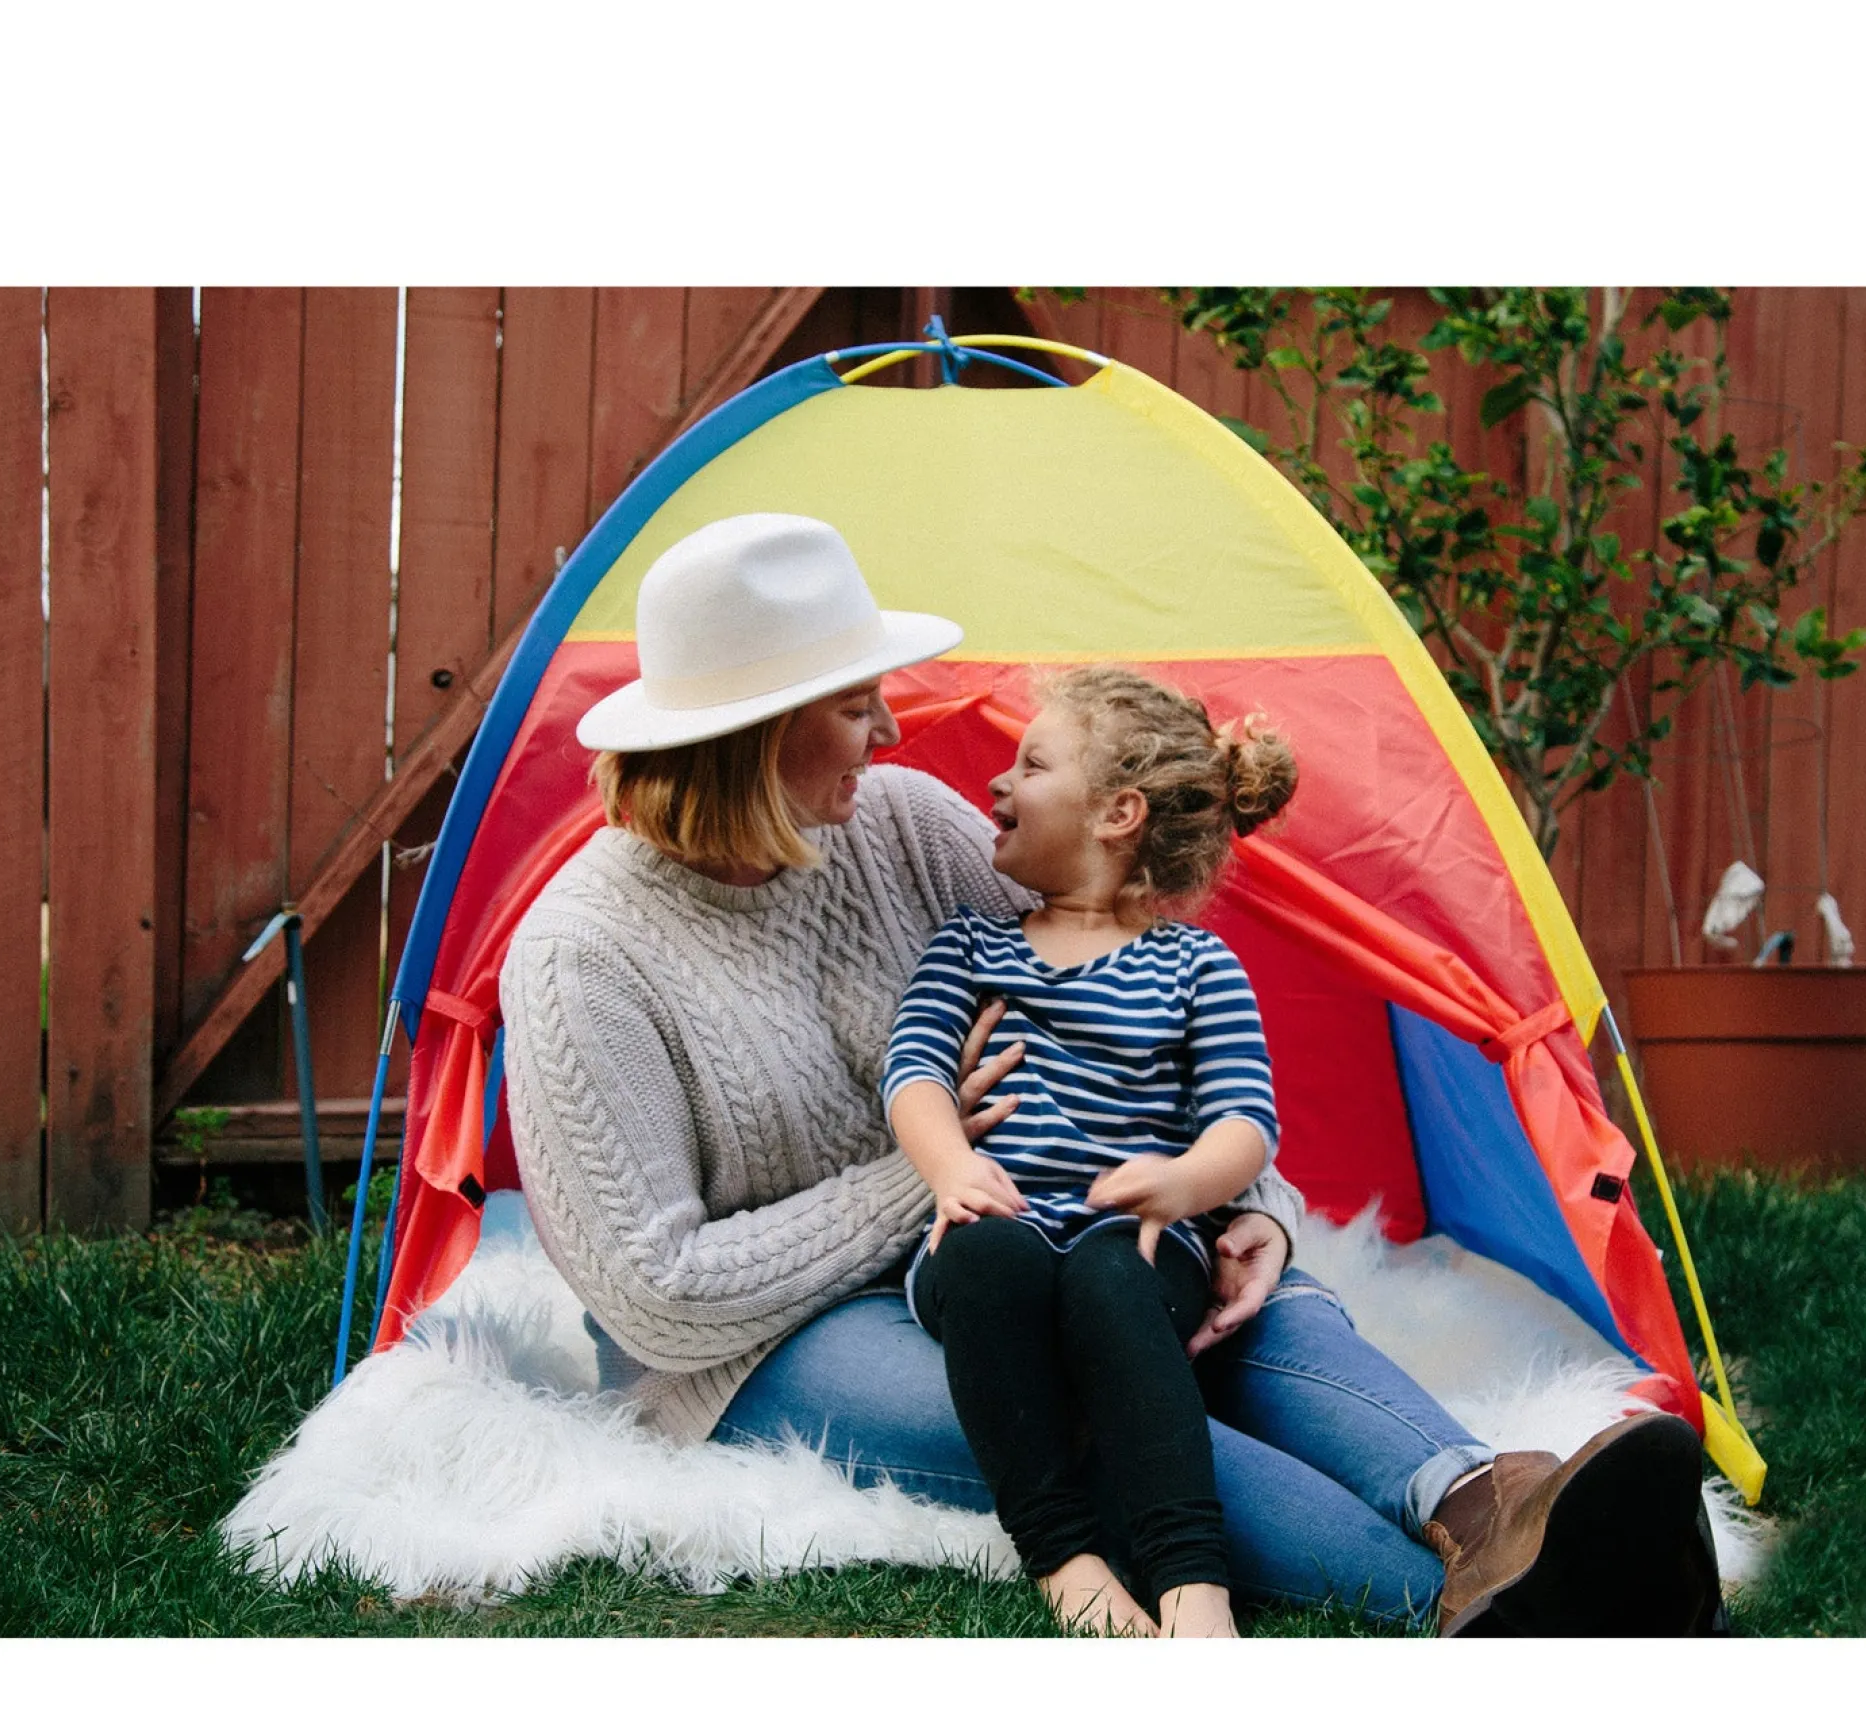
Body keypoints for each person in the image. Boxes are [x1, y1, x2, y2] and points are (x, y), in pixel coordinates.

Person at [498, 510, 1723, 1636]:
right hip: (764, 1341)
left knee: (1227, 1304)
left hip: (1031, 1233)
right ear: (758, 733)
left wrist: (1248, 1210)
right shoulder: (581, 959)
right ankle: (1476, 1609)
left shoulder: (904, 825)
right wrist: (925, 1174)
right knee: (1085, 1405)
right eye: (858, 705)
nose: (893, 732)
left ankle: (1490, 1501)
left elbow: (1116, 1014)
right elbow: (657, 1293)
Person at [883, 668, 1302, 1637]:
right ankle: (1065, 1561)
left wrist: (1184, 1182)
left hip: (1137, 1244)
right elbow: (913, 1074)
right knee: (987, 1255)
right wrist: (950, 1169)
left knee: (1114, 1278)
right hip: (998, 1229)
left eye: (1032, 764)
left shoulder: (1197, 966)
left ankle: (1192, 1586)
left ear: (1118, 814)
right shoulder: (969, 945)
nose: (999, 782)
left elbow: (1245, 1121)